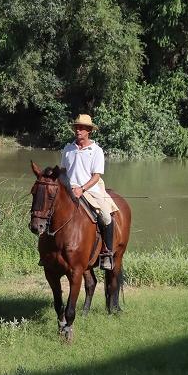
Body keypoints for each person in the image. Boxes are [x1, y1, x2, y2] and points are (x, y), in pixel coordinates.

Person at [61, 113, 118, 271]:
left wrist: (81, 189)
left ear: (89, 131)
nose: (78, 130)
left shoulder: (96, 150)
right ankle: (48, 252)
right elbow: (63, 172)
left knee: (106, 217)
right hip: (69, 189)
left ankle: (107, 252)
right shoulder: (68, 149)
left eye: (81, 128)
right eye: (76, 127)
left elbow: (96, 176)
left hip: (90, 189)